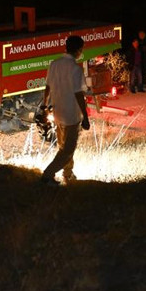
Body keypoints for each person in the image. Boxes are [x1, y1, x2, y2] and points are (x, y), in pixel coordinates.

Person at [41, 35, 90, 185]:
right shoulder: (75, 68)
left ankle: (68, 173)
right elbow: (78, 94)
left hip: (58, 113)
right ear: (78, 50)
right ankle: (47, 175)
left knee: (64, 146)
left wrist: (44, 105)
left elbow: (47, 86)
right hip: (71, 115)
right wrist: (86, 117)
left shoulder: (54, 64)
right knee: (68, 149)